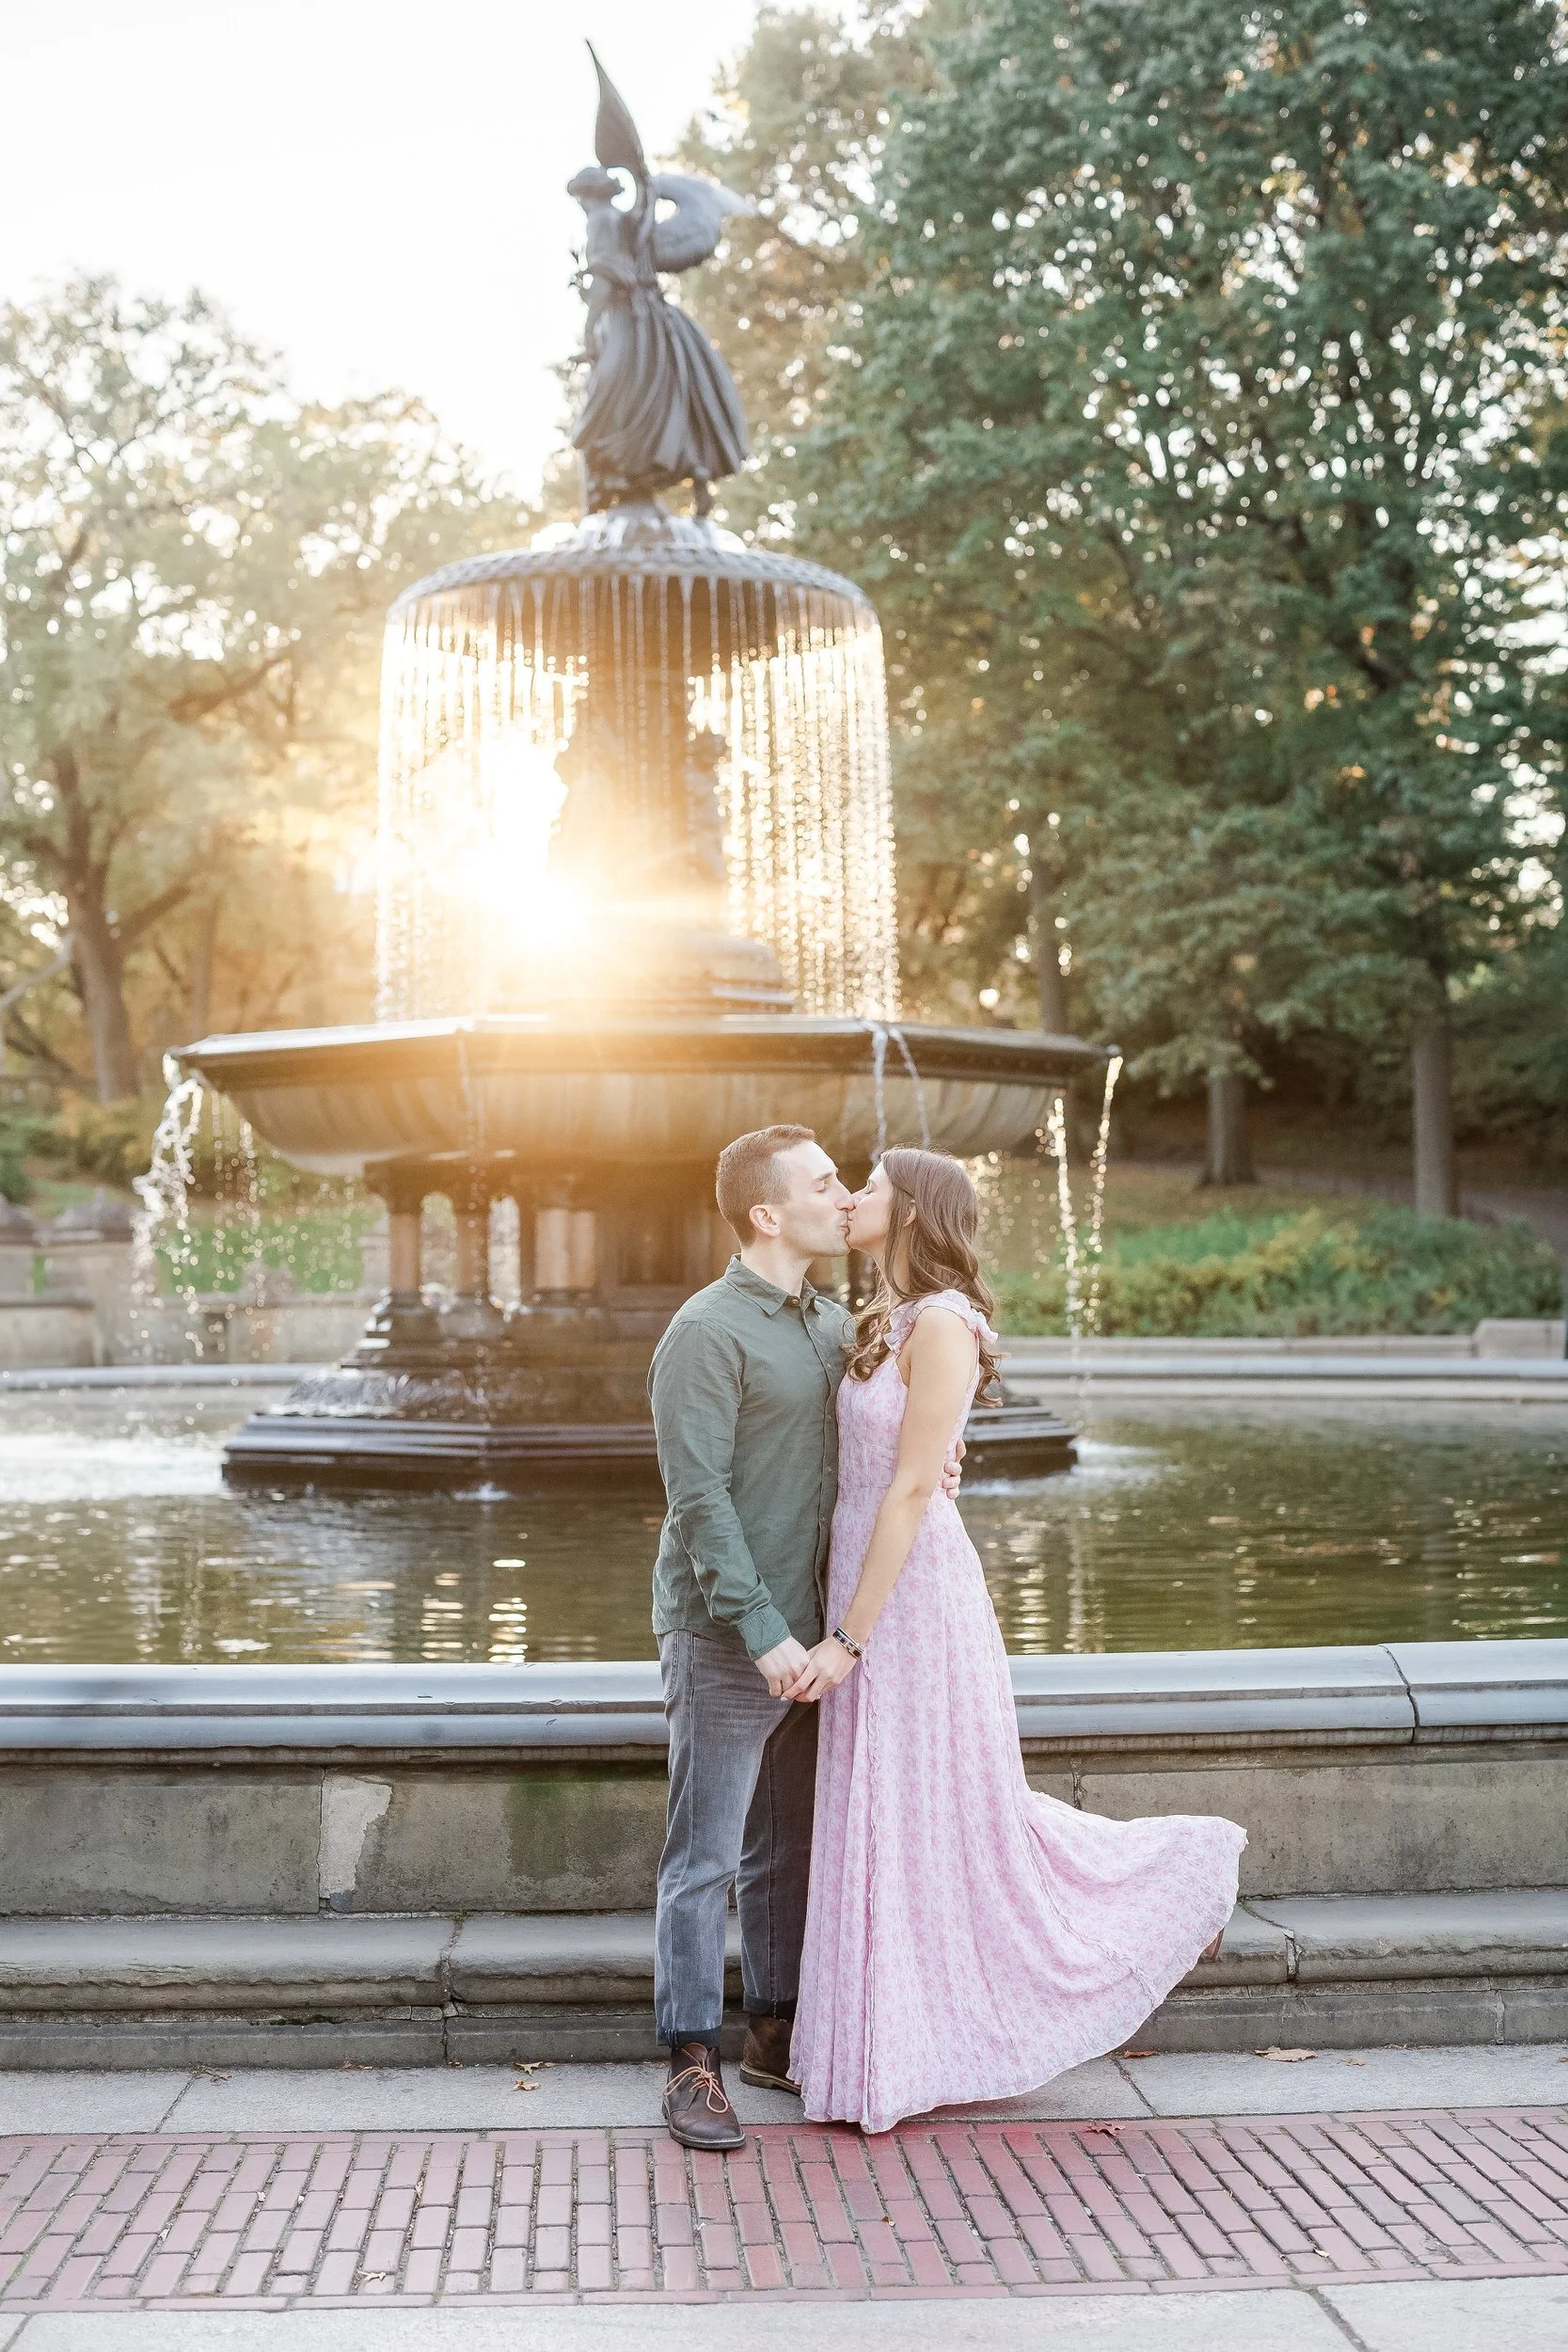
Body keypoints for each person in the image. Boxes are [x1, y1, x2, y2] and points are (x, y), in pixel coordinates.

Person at [788, 1148, 1246, 2136]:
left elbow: (912, 1488)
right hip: (864, 1576)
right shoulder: (884, 1320)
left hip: (907, 1600)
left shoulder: (943, 1322)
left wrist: (847, 1640)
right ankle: (889, 2046)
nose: (852, 1198)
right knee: (891, 1812)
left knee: (933, 1808)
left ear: (910, 1211)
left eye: (868, 1184)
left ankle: (1172, 1882)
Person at [647, 1124, 958, 2151]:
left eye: (843, 1183)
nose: (842, 1196)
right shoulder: (704, 1331)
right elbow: (696, 1500)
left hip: (820, 1640)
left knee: (786, 1844)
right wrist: (762, 1630)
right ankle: (691, 2059)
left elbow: (891, 1444)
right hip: (730, 1634)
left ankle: (772, 2031)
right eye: (822, 1184)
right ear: (765, 1214)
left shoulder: (835, 1324)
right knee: (705, 1857)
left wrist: (945, 1464)